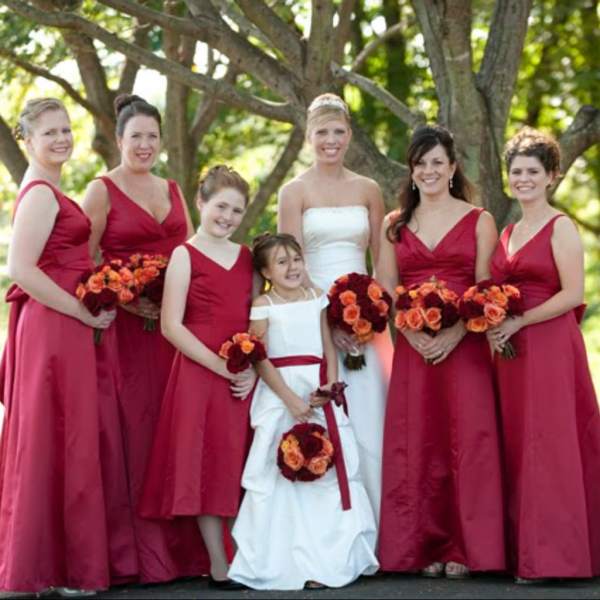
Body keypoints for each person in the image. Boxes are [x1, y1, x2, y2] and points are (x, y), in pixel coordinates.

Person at [82, 94, 205, 583]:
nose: (145, 145)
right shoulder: (101, 191)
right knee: (136, 431)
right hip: (127, 335)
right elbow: (84, 261)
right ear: (119, 139)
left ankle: (187, 552)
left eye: (153, 137)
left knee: (176, 430)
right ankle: (137, 556)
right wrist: (125, 300)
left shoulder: (173, 188)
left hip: (174, 332)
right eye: (136, 137)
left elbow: (192, 253)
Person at [377, 124, 505, 578]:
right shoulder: (394, 224)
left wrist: (456, 334)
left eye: (437, 162)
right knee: (419, 442)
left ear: (452, 168)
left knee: (469, 441)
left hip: (465, 346)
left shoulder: (479, 220)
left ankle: (467, 548)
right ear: (411, 170)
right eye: (420, 163)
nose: (428, 171)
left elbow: (486, 287)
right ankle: (422, 545)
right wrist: (410, 333)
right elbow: (386, 288)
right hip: (414, 349)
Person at [0, 98, 115, 596]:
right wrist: (81, 311)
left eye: (66, 129)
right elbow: (21, 270)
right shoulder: (40, 194)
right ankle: (55, 568)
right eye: (49, 132)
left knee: (65, 435)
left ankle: (60, 565)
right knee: (60, 436)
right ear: (27, 140)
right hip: (53, 327)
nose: (62, 138)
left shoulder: (50, 188)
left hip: (60, 325)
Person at [228, 233, 379, 590]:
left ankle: (328, 559)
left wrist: (330, 386)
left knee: (326, 472)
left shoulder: (317, 298)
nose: (292, 267)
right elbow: (260, 357)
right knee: (277, 473)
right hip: (280, 391)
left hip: (317, 389)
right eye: (282, 262)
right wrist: (290, 400)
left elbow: (327, 348)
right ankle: (278, 562)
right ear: (266, 271)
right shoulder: (263, 304)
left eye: (296, 259)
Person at [488, 127, 600, 583]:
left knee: (548, 444)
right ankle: (526, 551)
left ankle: (555, 558)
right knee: (519, 443)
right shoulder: (508, 231)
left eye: (533, 171)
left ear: (552, 175)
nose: (524, 179)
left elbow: (573, 293)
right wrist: (494, 323)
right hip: (512, 353)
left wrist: (520, 322)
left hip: (551, 344)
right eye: (516, 172)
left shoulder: (561, 226)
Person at [139, 166, 256, 590]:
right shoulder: (184, 255)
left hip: (241, 374)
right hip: (200, 373)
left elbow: (258, 318)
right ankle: (220, 565)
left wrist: (252, 370)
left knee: (238, 462)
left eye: (237, 211)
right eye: (221, 206)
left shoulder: (247, 257)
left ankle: (248, 554)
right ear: (201, 203)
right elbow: (171, 325)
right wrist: (220, 366)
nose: (228, 217)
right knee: (205, 465)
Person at [278, 93, 391, 525]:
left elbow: (382, 262)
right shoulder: (294, 192)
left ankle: (380, 530)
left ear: (350, 134)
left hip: (368, 327)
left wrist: (372, 316)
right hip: (315, 320)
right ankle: (334, 530)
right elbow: (290, 267)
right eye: (322, 132)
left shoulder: (368, 189)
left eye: (339, 131)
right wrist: (331, 323)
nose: (331, 140)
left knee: (371, 418)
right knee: (327, 420)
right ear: (308, 136)